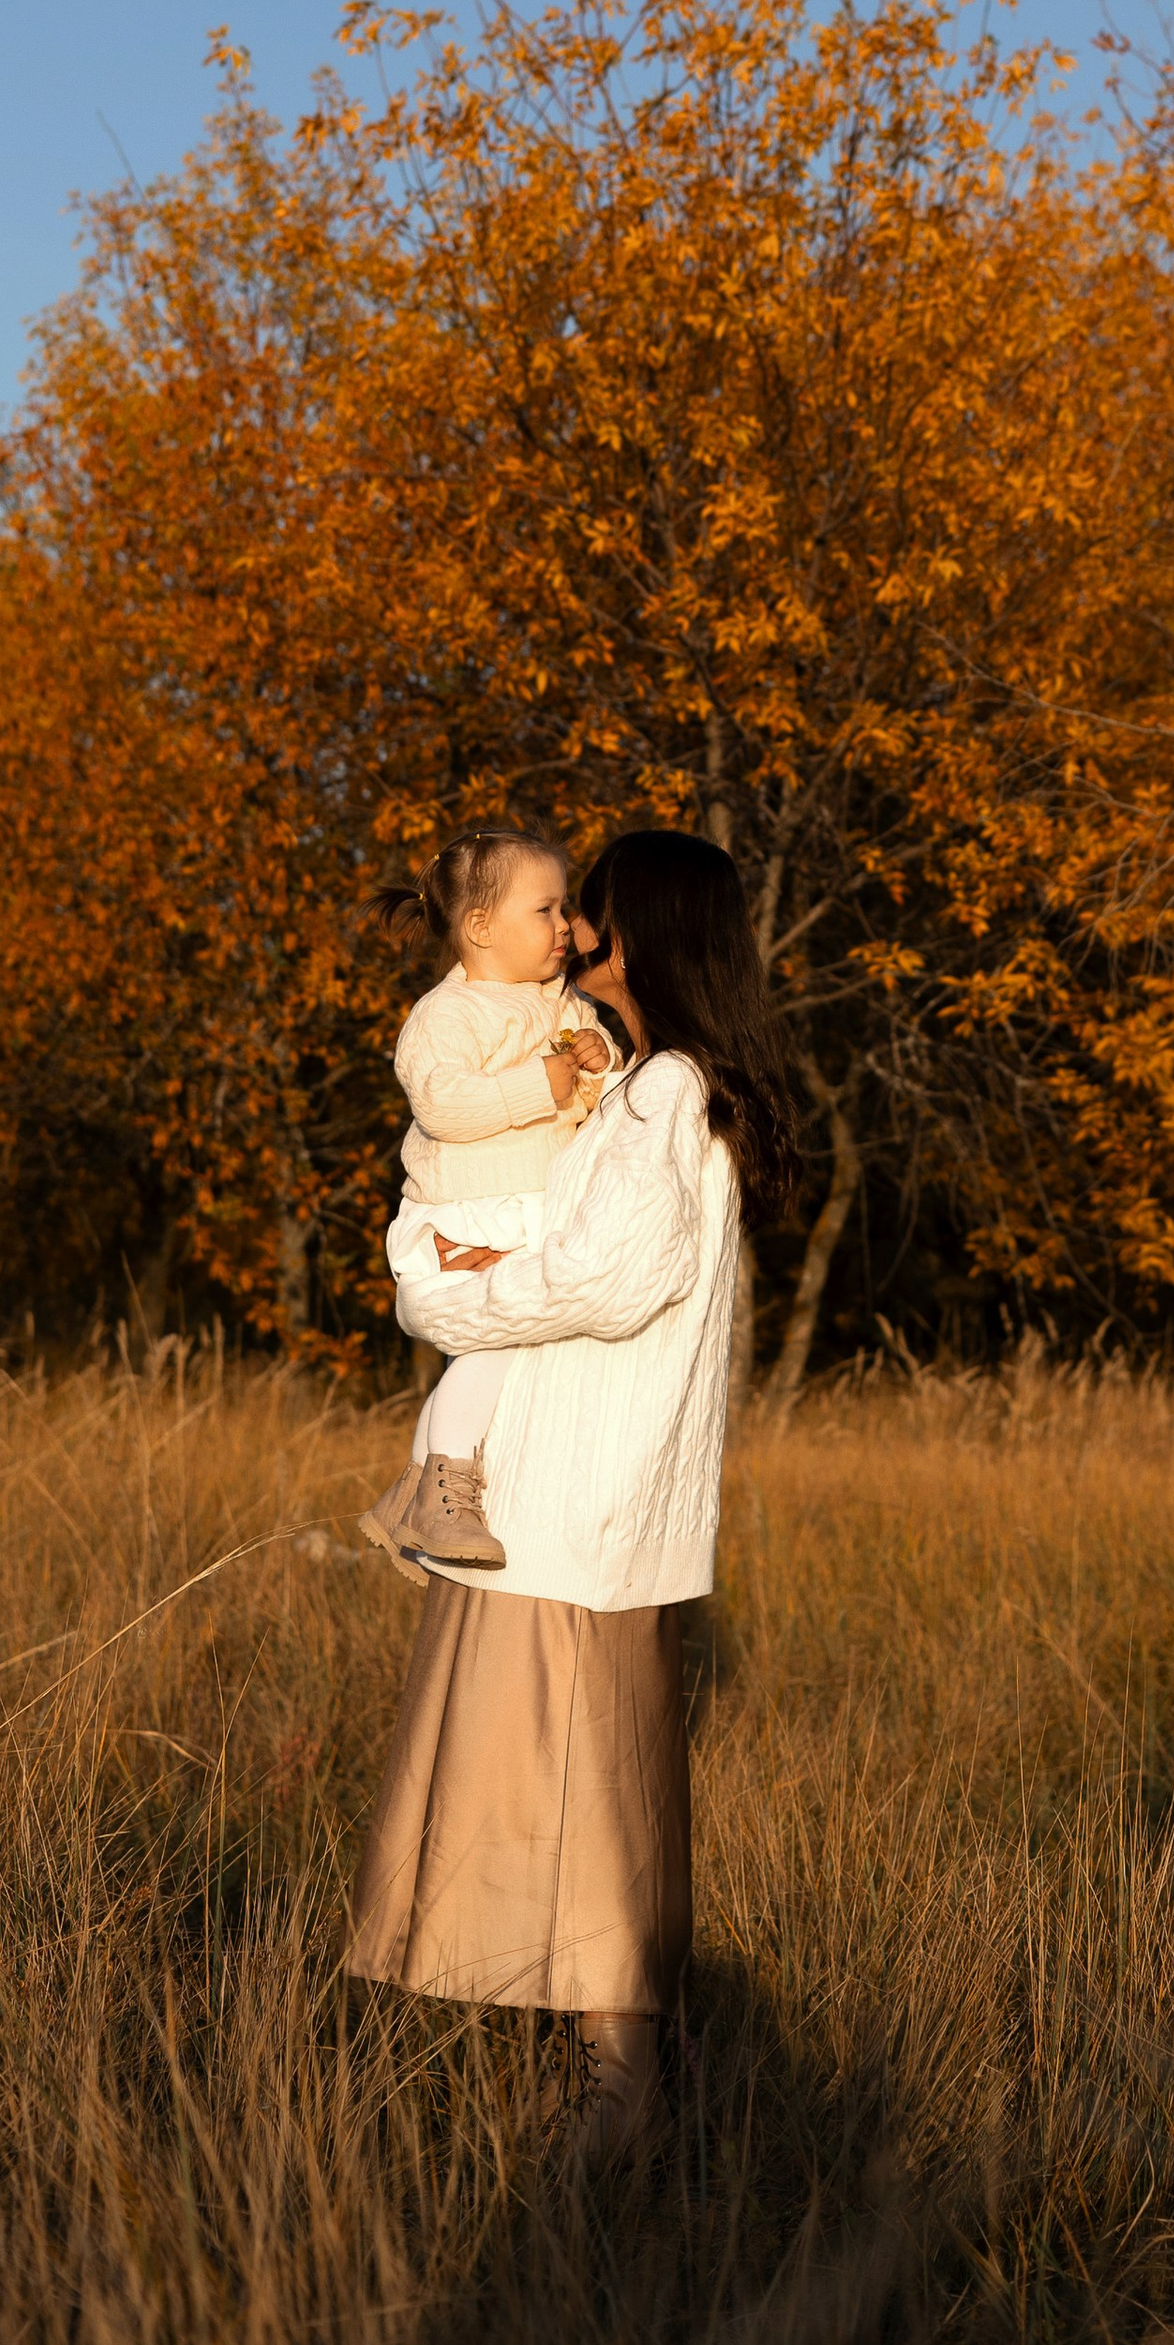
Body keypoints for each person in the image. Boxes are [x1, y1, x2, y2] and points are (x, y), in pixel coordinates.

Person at [346, 827, 799, 2154]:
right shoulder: (648, 1088)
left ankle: (620, 2092)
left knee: (585, 1796)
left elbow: (608, 1277)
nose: (574, 940)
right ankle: (603, 2074)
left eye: (588, 915)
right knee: (571, 1784)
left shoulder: (664, 1094)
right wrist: (475, 1265)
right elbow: (567, 1238)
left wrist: (442, 1294)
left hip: (576, 1505)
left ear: (638, 933)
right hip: (570, 1498)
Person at [356, 829, 618, 1578]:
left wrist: (599, 1061)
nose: (565, 925)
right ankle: (445, 1494)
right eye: (545, 910)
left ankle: (410, 1500)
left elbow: (593, 1100)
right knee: (493, 1346)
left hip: (533, 1213)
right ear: (480, 927)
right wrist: (537, 1085)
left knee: (497, 1352)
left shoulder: (562, 1001)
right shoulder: (447, 1015)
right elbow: (442, 1106)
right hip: (467, 1214)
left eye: (563, 907)